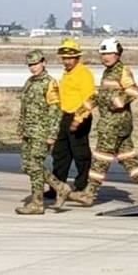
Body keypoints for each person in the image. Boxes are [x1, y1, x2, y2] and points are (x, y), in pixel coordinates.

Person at [68, 39, 138, 207]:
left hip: (114, 124)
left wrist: (120, 101)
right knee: (128, 158)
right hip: (117, 125)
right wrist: (81, 112)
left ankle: (89, 194)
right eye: (103, 54)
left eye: (109, 54)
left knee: (101, 159)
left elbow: (133, 90)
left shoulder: (122, 71)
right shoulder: (107, 73)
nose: (105, 57)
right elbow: (99, 96)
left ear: (117, 54)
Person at [15, 50, 72, 214]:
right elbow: (24, 108)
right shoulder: (30, 82)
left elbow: (55, 111)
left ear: (43, 62)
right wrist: (21, 127)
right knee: (27, 166)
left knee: (35, 166)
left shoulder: (50, 83)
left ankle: (37, 203)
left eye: (36, 64)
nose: (33, 68)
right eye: (30, 65)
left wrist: (52, 134)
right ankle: (60, 187)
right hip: (28, 131)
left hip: (42, 131)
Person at [48, 38, 96, 195]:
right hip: (65, 116)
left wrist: (78, 119)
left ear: (77, 57)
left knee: (80, 154)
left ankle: (82, 185)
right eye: (64, 58)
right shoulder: (67, 74)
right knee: (60, 154)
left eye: (69, 58)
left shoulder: (84, 74)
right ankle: (57, 187)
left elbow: (89, 100)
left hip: (79, 117)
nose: (66, 61)